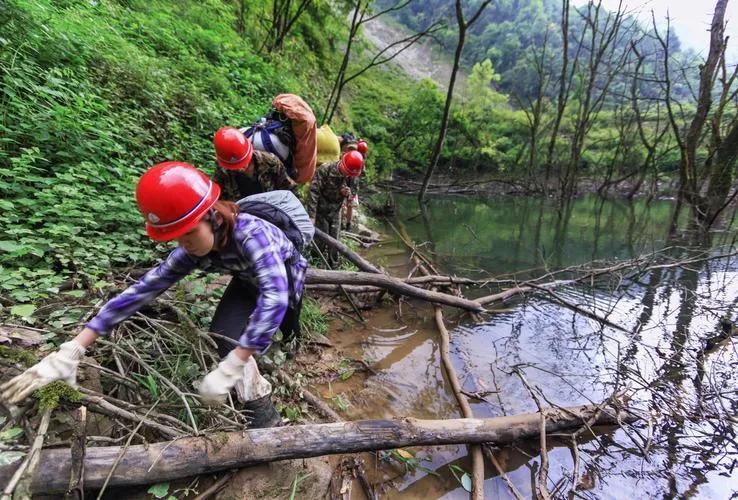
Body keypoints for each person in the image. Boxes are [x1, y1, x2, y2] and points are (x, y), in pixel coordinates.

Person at [0, 162, 308, 428]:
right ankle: (263, 412)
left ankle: (284, 347)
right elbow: (143, 289)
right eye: (177, 237)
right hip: (245, 278)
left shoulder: (253, 236)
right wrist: (75, 347)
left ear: (213, 217)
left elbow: (275, 296)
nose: (185, 244)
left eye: (190, 232)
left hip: (284, 278)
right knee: (224, 336)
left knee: (284, 325)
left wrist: (235, 363)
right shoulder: (192, 249)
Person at [307, 150, 364, 267]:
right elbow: (313, 192)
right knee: (320, 241)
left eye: (350, 174)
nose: (347, 175)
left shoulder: (353, 176)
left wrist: (348, 194)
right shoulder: (325, 169)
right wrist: (311, 216)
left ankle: (334, 267)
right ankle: (315, 264)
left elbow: (353, 196)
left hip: (336, 211)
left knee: (335, 242)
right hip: (321, 210)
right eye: (346, 172)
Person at [213, 126, 297, 200]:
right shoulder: (223, 170)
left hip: (271, 209)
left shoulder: (270, 162)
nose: (240, 168)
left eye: (244, 163)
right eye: (235, 166)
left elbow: (289, 188)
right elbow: (217, 196)